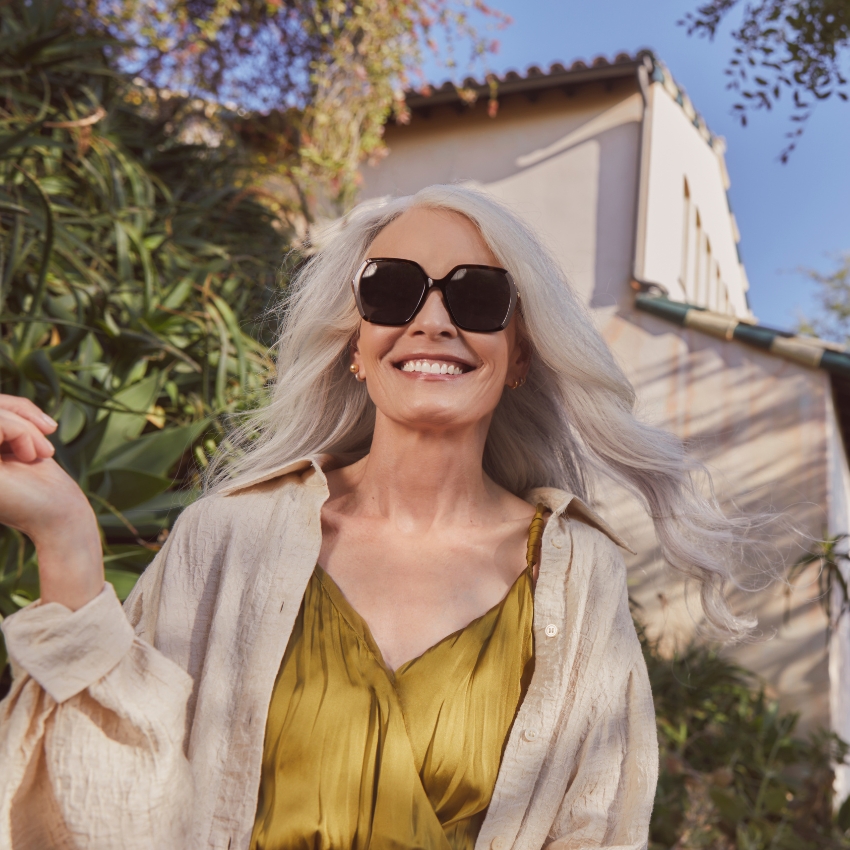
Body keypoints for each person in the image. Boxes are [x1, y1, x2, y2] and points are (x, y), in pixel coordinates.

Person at [0, 185, 752, 849]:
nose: (430, 321)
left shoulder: (576, 573)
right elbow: (117, 806)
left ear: (519, 350)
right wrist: (65, 538)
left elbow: (596, 828)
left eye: (477, 296)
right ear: (356, 343)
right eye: (391, 291)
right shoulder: (228, 537)